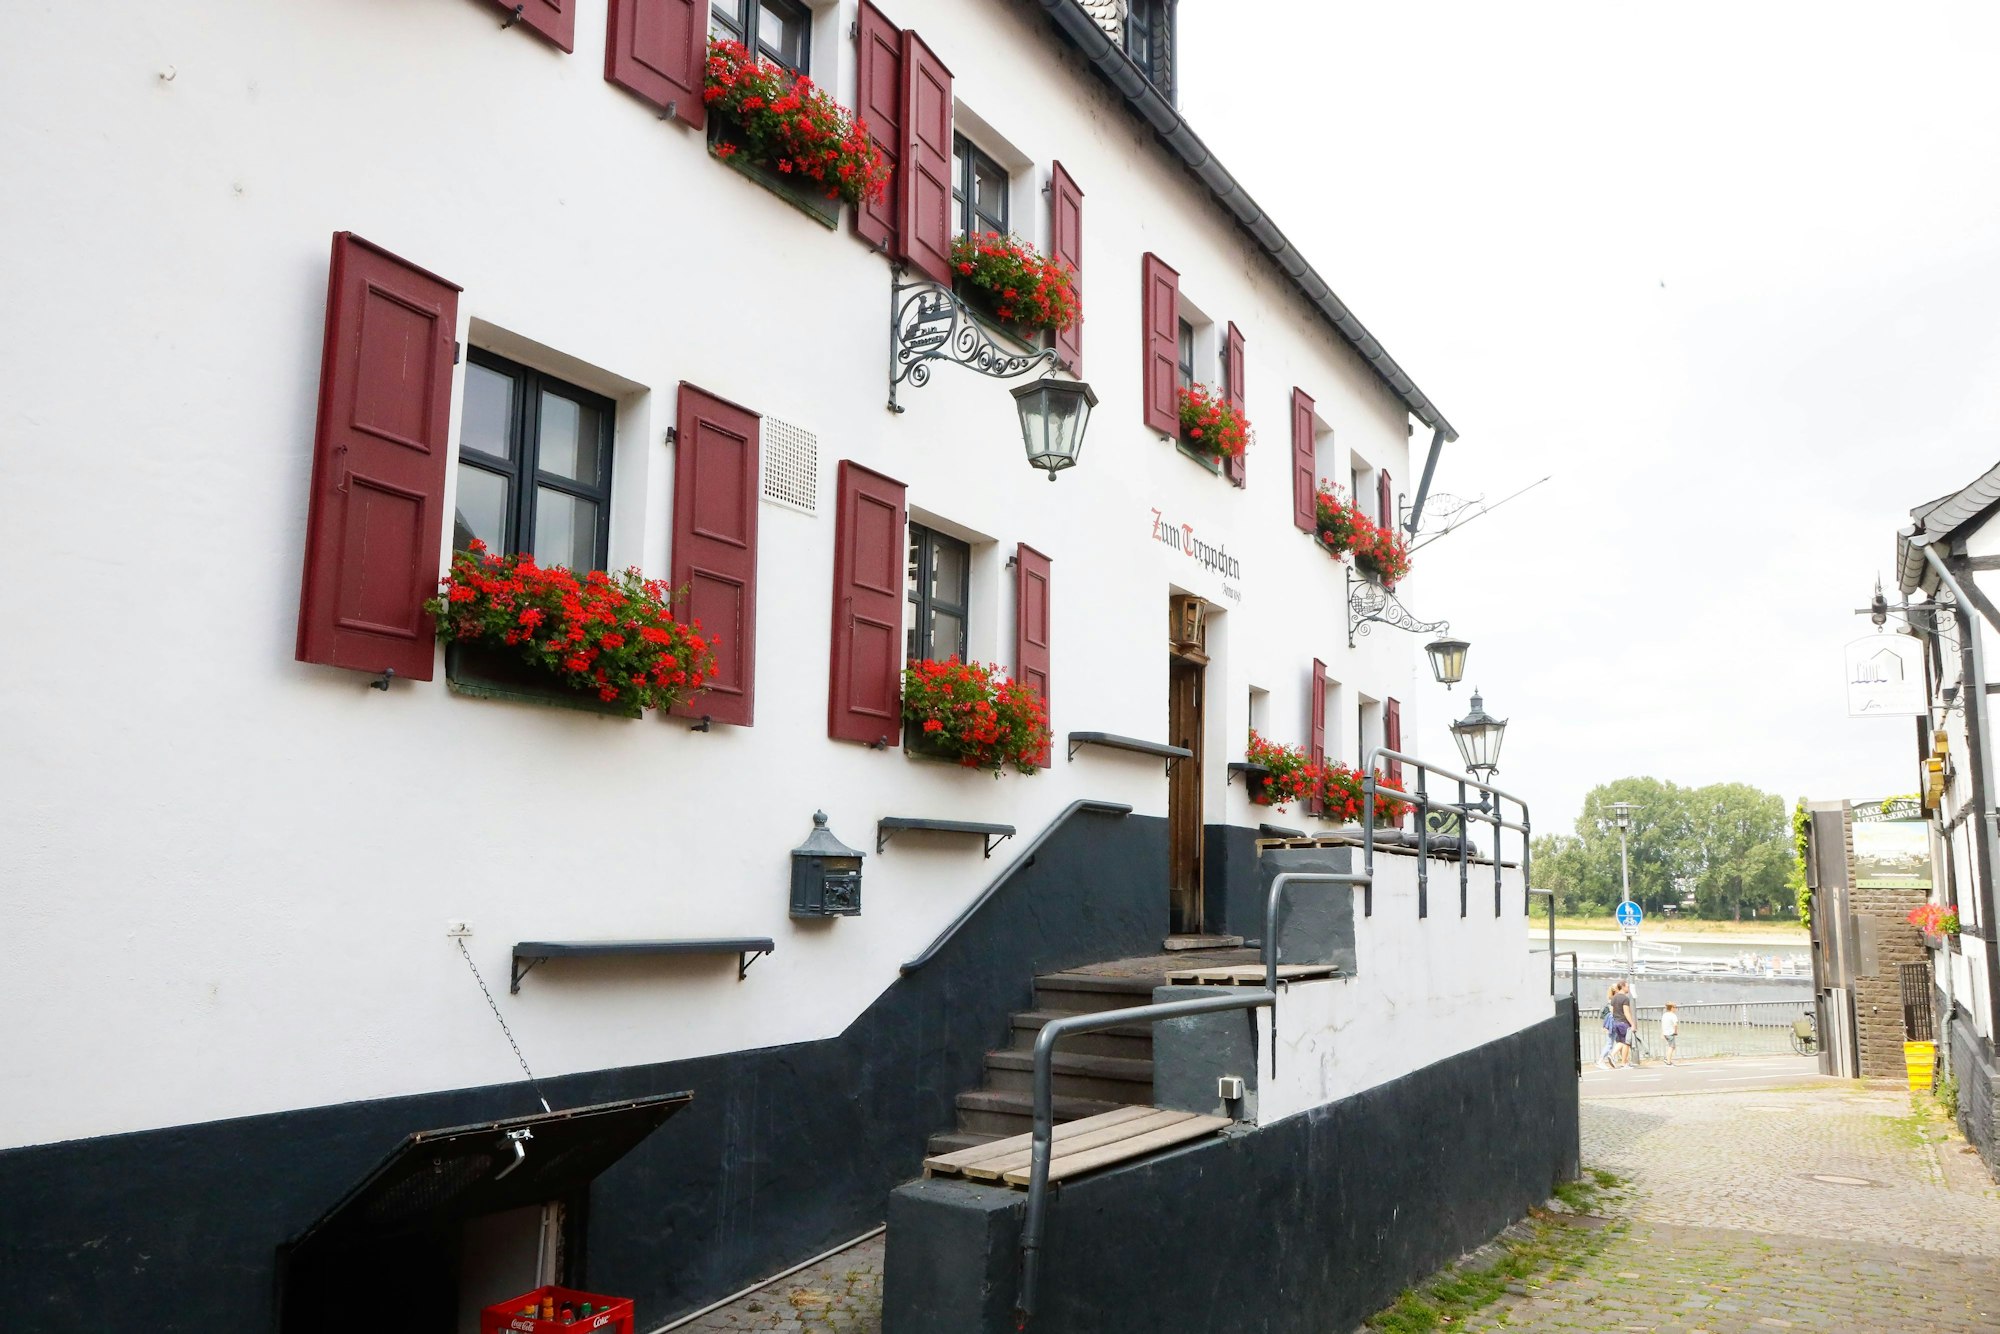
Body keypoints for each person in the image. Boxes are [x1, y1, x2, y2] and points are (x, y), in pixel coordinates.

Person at [1611, 981, 1638, 1068]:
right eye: (1627, 986)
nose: (1628, 988)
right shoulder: (1625, 999)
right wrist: (1632, 1024)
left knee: (1620, 1041)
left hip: (1616, 1022)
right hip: (1623, 1023)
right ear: (1622, 987)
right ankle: (1616, 1058)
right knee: (1626, 1043)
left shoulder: (1614, 998)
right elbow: (1626, 1013)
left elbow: (1612, 1011)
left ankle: (1624, 1061)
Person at [1596, 984, 1620, 1069]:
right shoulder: (1615, 1000)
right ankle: (1601, 1060)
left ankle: (1607, 1059)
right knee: (1610, 1043)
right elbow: (1614, 1012)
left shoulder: (1610, 999)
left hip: (1610, 1021)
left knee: (1611, 1042)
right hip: (1613, 1021)